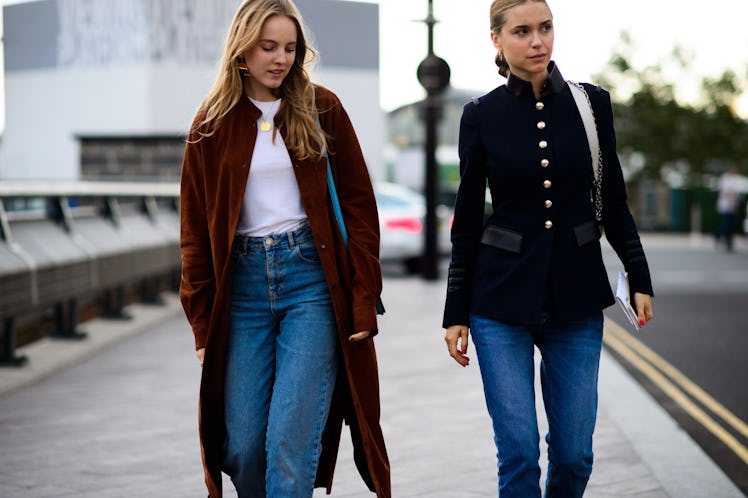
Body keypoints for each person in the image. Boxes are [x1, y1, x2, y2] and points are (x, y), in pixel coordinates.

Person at [442, 1, 654, 496]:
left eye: (545, 28)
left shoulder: (591, 103)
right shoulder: (480, 115)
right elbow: (467, 217)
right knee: (518, 452)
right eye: (522, 31)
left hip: (577, 297)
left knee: (575, 456)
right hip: (499, 299)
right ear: (496, 39)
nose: (537, 41)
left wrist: (638, 274)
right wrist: (456, 311)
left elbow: (614, 198)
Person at [178, 1, 390, 496]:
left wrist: (363, 299)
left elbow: (360, 209)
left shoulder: (322, 108)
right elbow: (194, 233)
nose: (280, 59)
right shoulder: (210, 124)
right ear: (241, 50)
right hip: (243, 292)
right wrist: (202, 323)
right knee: (245, 447)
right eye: (268, 46)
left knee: (290, 446)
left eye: (290, 48)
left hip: (311, 285)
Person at [715, 165, 742, 252]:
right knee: (728, 224)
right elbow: (727, 192)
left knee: (729, 224)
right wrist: (732, 204)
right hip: (728, 205)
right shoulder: (727, 179)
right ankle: (722, 238)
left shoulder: (731, 179)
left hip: (729, 205)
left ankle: (728, 241)